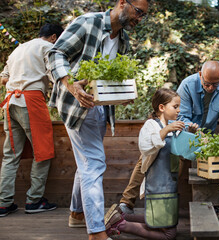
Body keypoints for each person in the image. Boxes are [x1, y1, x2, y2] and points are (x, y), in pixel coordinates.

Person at [47, 0, 149, 239]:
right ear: (123, 2)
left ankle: (77, 213)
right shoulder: (88, 22)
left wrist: (122, 95)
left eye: (143, 15)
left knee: (86, 162)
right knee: (94, 163)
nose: (140, 19)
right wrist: (72, 85)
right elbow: (55, 54)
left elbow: (111, 79)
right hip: (75, 104)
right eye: (138, 12)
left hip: (100, 108)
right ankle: (96, 231)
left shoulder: (122, 39)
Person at [118, 60, 219, 214]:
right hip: (181, 131)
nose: (210, 88)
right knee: (149, 159)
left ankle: (216, 207)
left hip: (205, 137)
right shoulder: (188, 84)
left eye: (215, 85)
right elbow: (179, 115)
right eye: (207, 84)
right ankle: (127, 202)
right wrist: (193, 131)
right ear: (200, 75)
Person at [104, 88, 198, 240]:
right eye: (175, 107)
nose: (179, 110)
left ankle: (119, 219)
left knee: (158, 222)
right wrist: (166, 129)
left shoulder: (171, 127)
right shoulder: (151, 125)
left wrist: (191, 135)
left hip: (169, 188)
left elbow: (185, 153)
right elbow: (146, 146)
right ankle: (119, 225)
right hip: (157, 188)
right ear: (161, 107)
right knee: (168, 234)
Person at [0, 23, 63, 217]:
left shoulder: (19, 49)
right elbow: (57, 74)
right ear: (54, 37)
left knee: (10, 155)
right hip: (31, 100)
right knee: (42, 152)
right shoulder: (48, 48)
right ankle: (34, 200)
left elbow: (3, 79)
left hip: (10, 101)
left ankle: (3, 203)